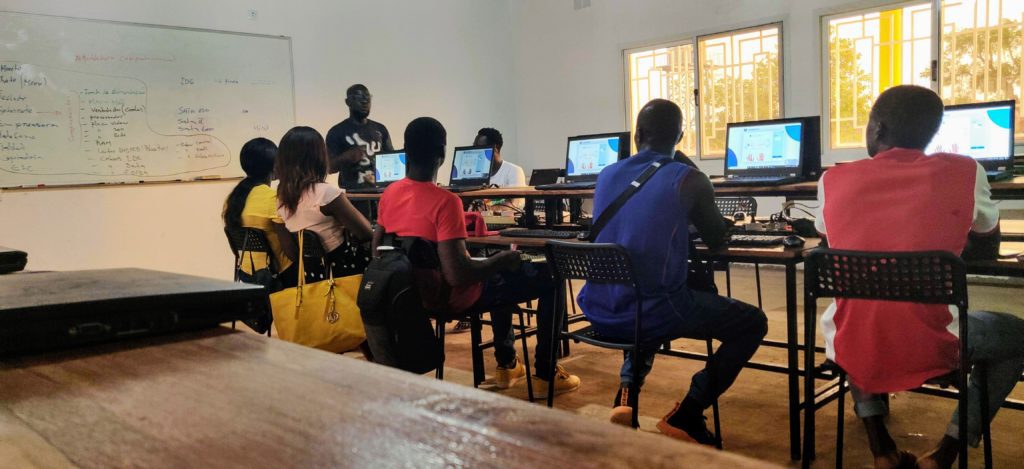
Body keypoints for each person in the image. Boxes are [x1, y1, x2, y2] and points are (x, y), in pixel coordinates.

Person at [814, 85, 1021, 469]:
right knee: (1018, 336)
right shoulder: (965, 171)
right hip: (936, 344)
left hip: (851, 341)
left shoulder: (832, 181)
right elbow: (986, 247)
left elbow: (832, 244)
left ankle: (881, 449)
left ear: (877, 128)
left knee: (858, 309)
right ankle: (945, 454)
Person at [577, 99, 768, 445]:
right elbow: (716, 237)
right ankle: (689, 413)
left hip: (600, 308)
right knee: (752, 322)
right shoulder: (689, 179)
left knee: (642, 287)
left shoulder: (607, 174)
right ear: (680, 136)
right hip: (653, 311)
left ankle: (626, 394)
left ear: (637, 134)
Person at [374, 116, 581, 396]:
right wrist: (499, 261)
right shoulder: (446, 202)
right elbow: (459, 274)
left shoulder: (389, 194)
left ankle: (508, 364)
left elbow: (378, 250)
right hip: (449, 297)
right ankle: (545, 372)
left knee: (497, 274)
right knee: (549, 275)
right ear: (443, 153)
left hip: (411, 296)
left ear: (405, 150)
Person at [450, 127, 528, 334]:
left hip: (505, 224)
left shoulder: (513, 170)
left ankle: (483, 298)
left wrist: (489, 206)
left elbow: (516, 205)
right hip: (481, 224)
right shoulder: (475, 173)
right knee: (460, 244)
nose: (476, 153)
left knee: (479, 251)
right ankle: (473, 302)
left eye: (480, 148)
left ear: (494, 149)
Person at [275, 126, 373, 275]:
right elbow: (366, 233)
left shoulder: (282, 197)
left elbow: (292, 253)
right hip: (344, 273)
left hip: (315, 276)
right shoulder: (326, 194)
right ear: (318, 157)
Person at [222, 137, 297, 286]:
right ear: (275, 166)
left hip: (248, 275)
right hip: (279, 277)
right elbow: (291, 253)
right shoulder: (272, 199)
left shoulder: (232, 200)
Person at [325, 84, 394, 189]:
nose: (365, 102)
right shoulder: (337, 132)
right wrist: (345, 157)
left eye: (367, 98)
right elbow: (328, 168)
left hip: (379, 193)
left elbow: (391, 159)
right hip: (353, 195)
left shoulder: (380, 129)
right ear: (348, 102)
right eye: (358, 98)